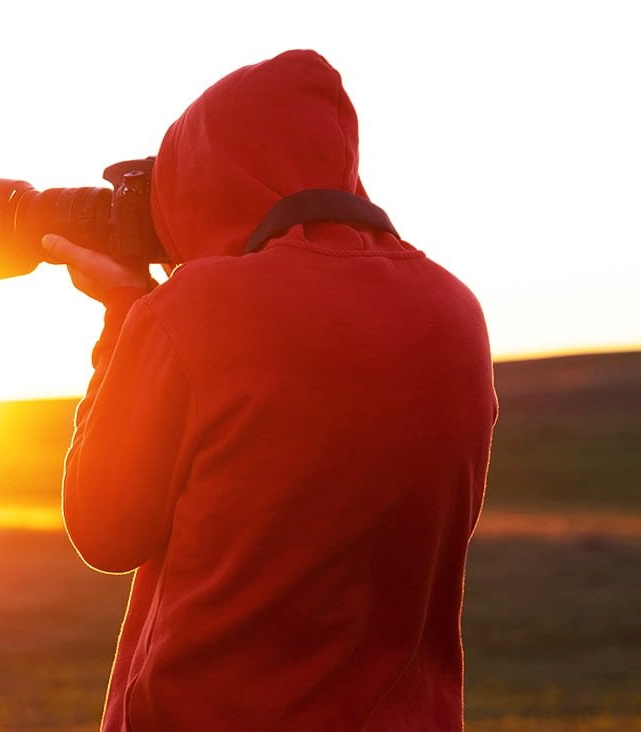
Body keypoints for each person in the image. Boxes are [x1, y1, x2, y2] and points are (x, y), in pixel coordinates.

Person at [39, 50, 498, 731]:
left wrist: (124, 315)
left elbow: (104, 530)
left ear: (205, 175)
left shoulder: (197, 310)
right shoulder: (455, 311)